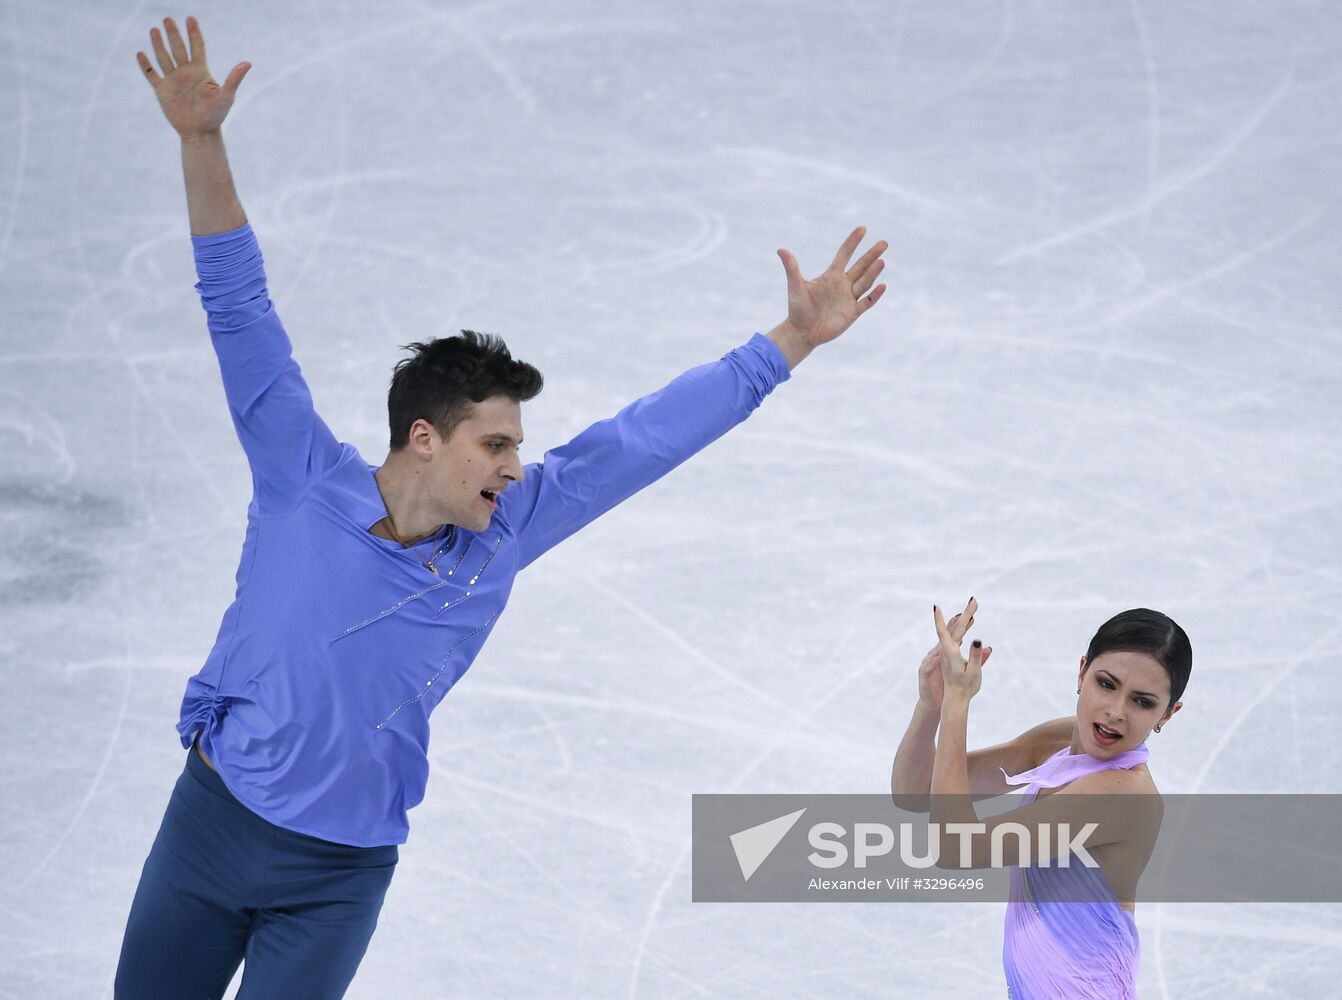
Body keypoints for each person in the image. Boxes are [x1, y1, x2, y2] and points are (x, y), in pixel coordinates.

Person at [114, 15, 890, 1000]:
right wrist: (203, 140)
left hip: (337, 874)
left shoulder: (504, 531)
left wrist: (788, 339)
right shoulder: (299, 476)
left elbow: (644, 438)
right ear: (425, 439)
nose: (517, 467)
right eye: (497, 444)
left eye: (518, 446)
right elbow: (239, 306)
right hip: (209, 828)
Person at [891, 598, 1191, 999]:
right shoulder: (1057, 742)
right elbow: (915, 792)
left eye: (1142, 701)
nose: (1115, 711)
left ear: (1167, 715)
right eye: (1107, 683)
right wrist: (931, 705)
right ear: (1082, 672)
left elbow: (954, 848)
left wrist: (957, 705)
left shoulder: (1123, 795)